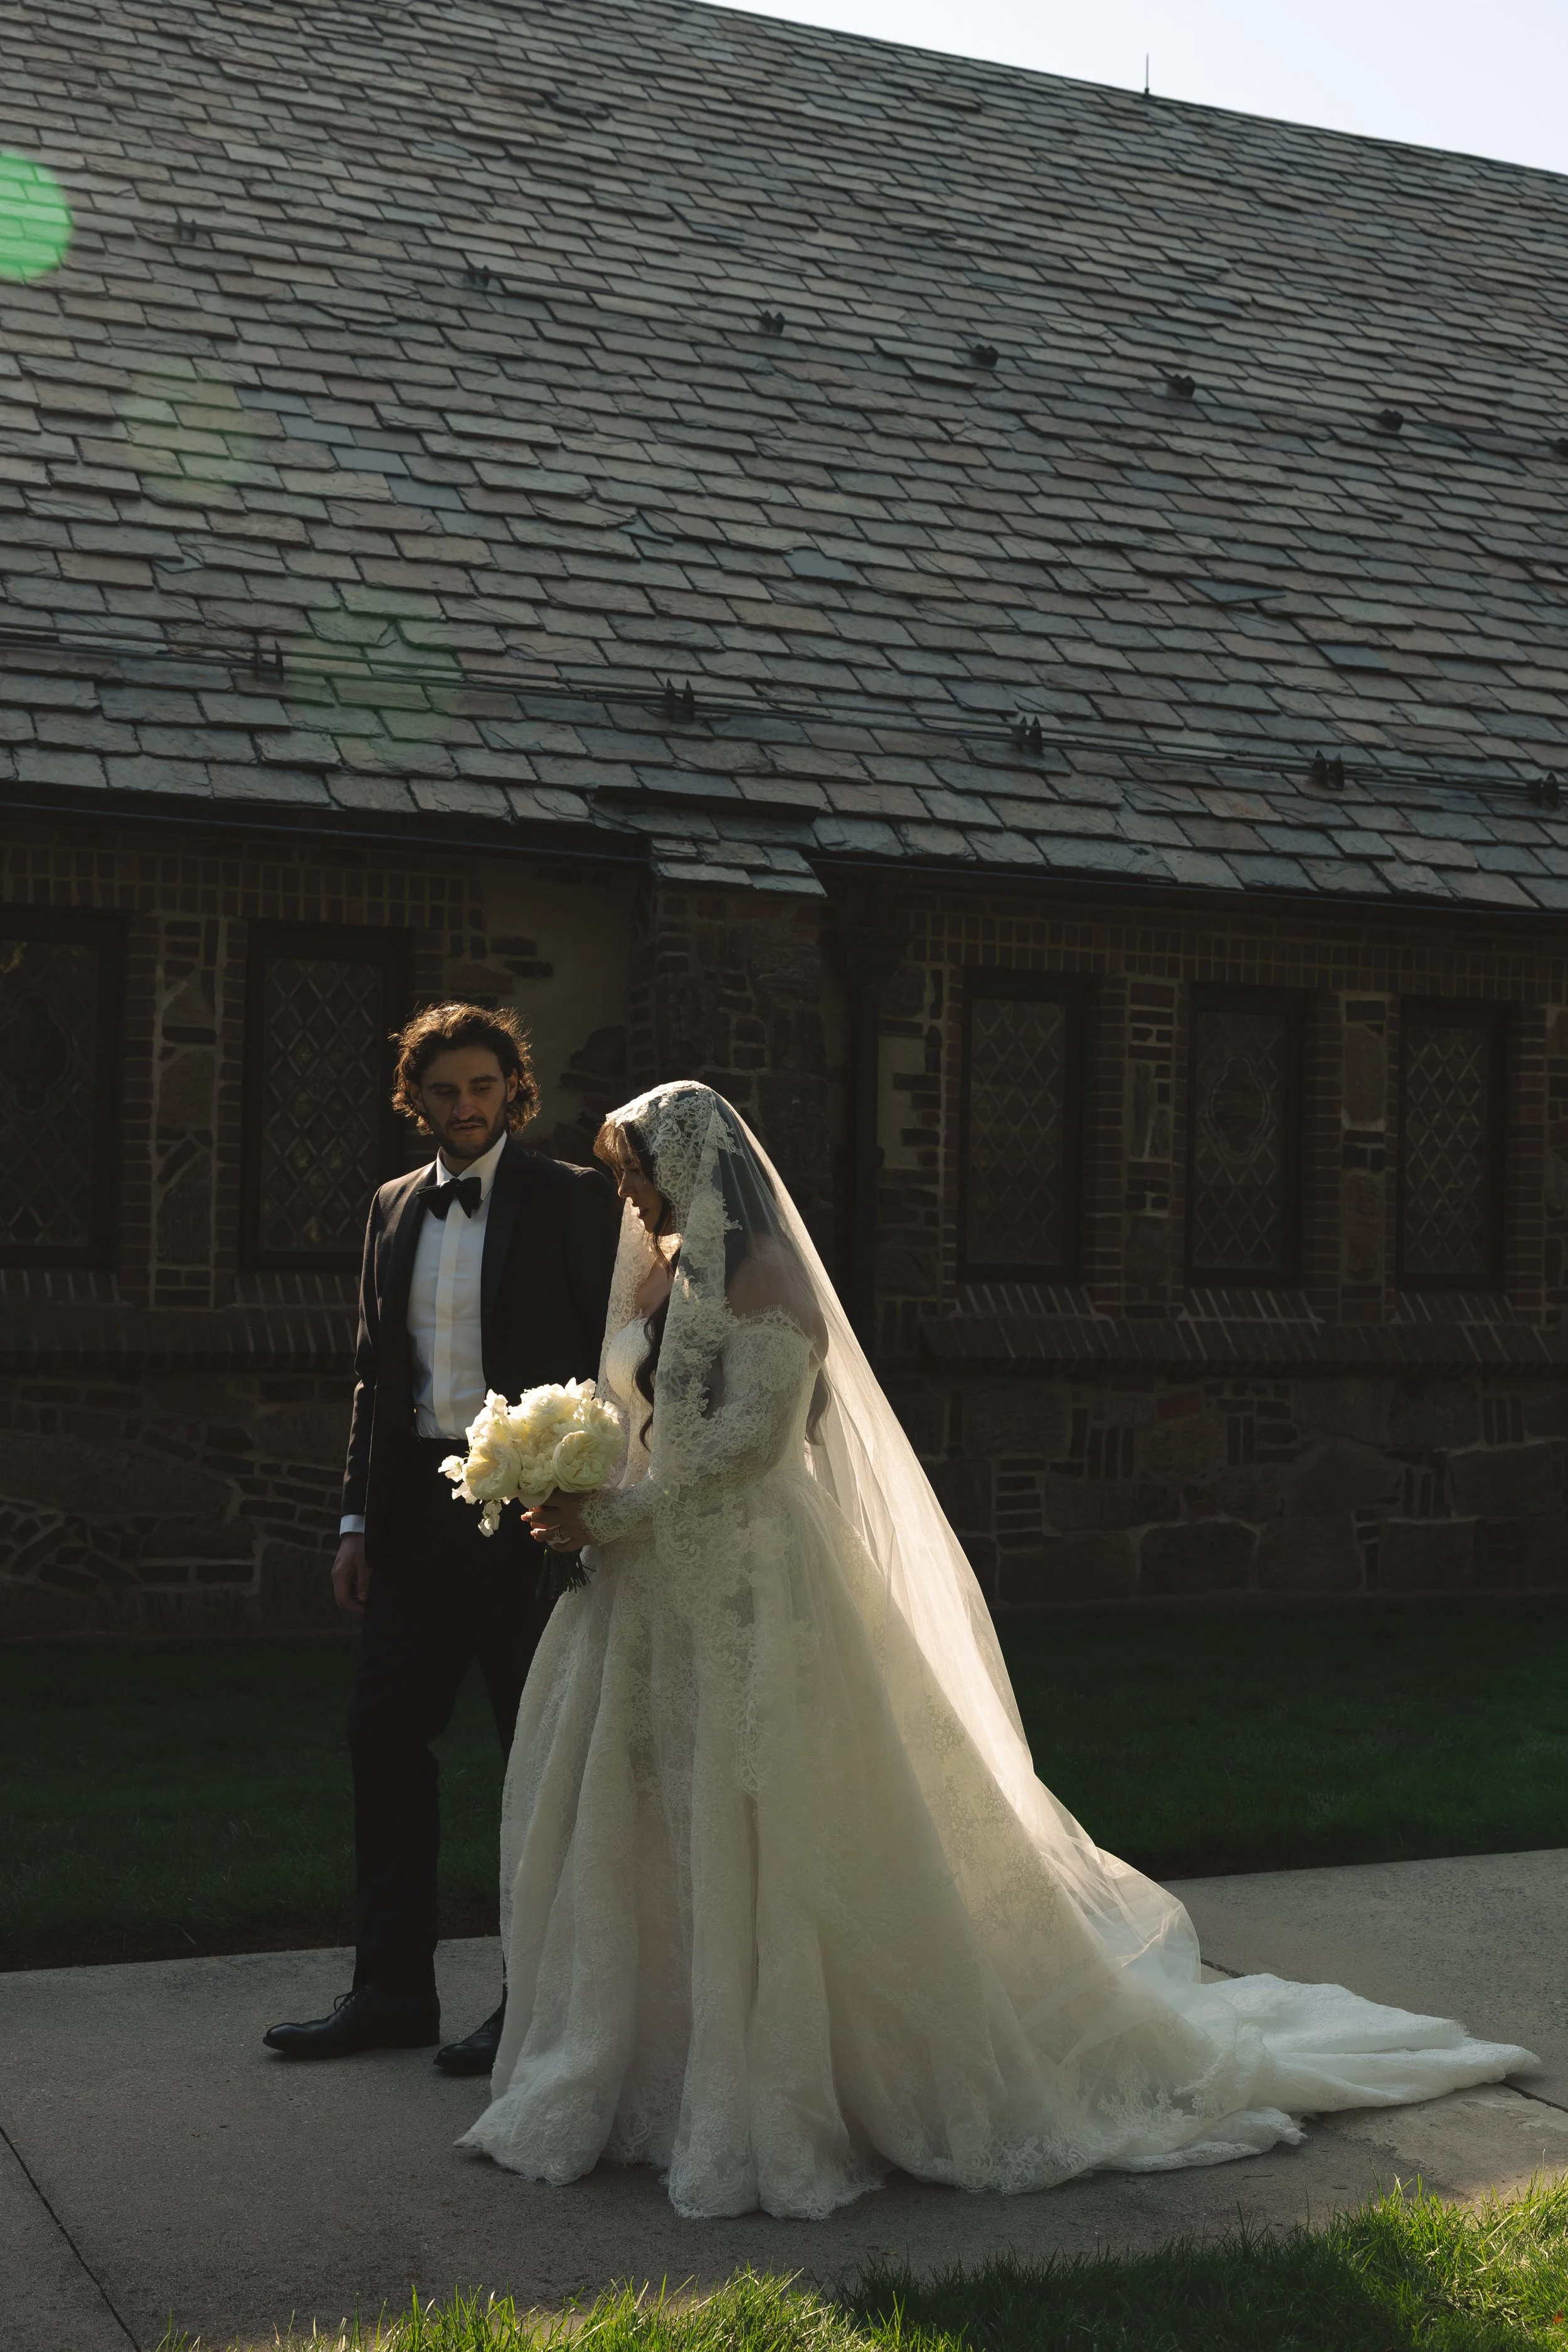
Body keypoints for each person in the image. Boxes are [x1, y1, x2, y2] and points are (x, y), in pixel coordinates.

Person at [458, 1079, 1536, 2219]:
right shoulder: (666, 1271)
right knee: (661, 1817)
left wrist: (610, 1513)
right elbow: (647, 1422)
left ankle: (801, 2075)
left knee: (769, 1812)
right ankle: (659, 2069)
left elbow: (740, 1446)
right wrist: (575, 1469)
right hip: (649, 1593)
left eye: (638, 1169)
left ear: (692, 1166)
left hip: (752, 1587)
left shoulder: (770, 1282)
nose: (626, 1191)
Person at [262, 1004, 619, 2069]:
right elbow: (377, 1375)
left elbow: (617, 1360)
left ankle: (535, 2003)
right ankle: (389, 1991)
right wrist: (356, 1521)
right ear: (412, 1098)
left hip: (534, 1513)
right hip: (416, 1513)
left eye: (482, 1087)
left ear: (515, 1089)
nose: (463, 1107)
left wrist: (587, 1494)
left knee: (534, 1756)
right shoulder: (389, 1207)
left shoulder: (573, 1200)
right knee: (383, 1735)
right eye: (443, 1090)